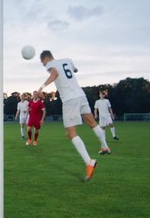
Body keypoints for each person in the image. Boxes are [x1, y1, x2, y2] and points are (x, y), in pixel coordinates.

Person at [37, 50, 111, 181]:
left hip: (70, 99)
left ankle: (89, 162)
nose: (44, 66)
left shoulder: (50, 65)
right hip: (81, 95)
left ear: (46, 59)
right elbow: (75, 70)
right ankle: (104, 146)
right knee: (92, 122)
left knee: (70, 133)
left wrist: (41, 88)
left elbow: (55, 73)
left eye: (43, 63)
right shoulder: (67, 60)